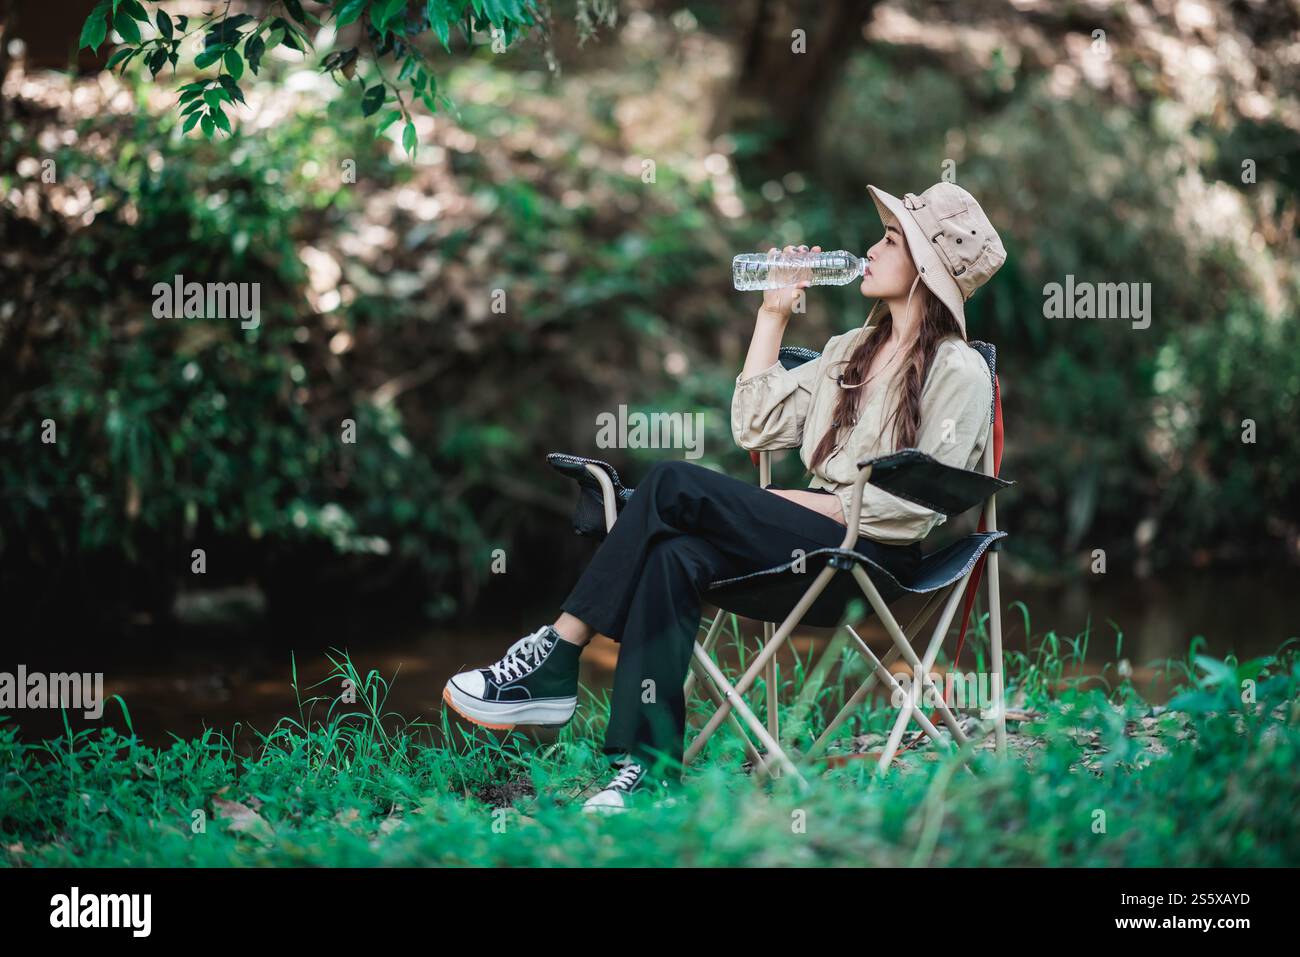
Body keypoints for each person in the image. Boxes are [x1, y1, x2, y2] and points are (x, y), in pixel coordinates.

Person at [443, 182, 1007, 811]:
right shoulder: (850, 350)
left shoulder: (958, 369)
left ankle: (556, 655)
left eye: (890, 240)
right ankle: (647, 768)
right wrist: (772, 315)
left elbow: (918, 506)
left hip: (872, 561)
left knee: (670, 484)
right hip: (809, 545)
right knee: (674, 553)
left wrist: (819, 505)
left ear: (927, 270)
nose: (870, 249)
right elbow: (756, 427)